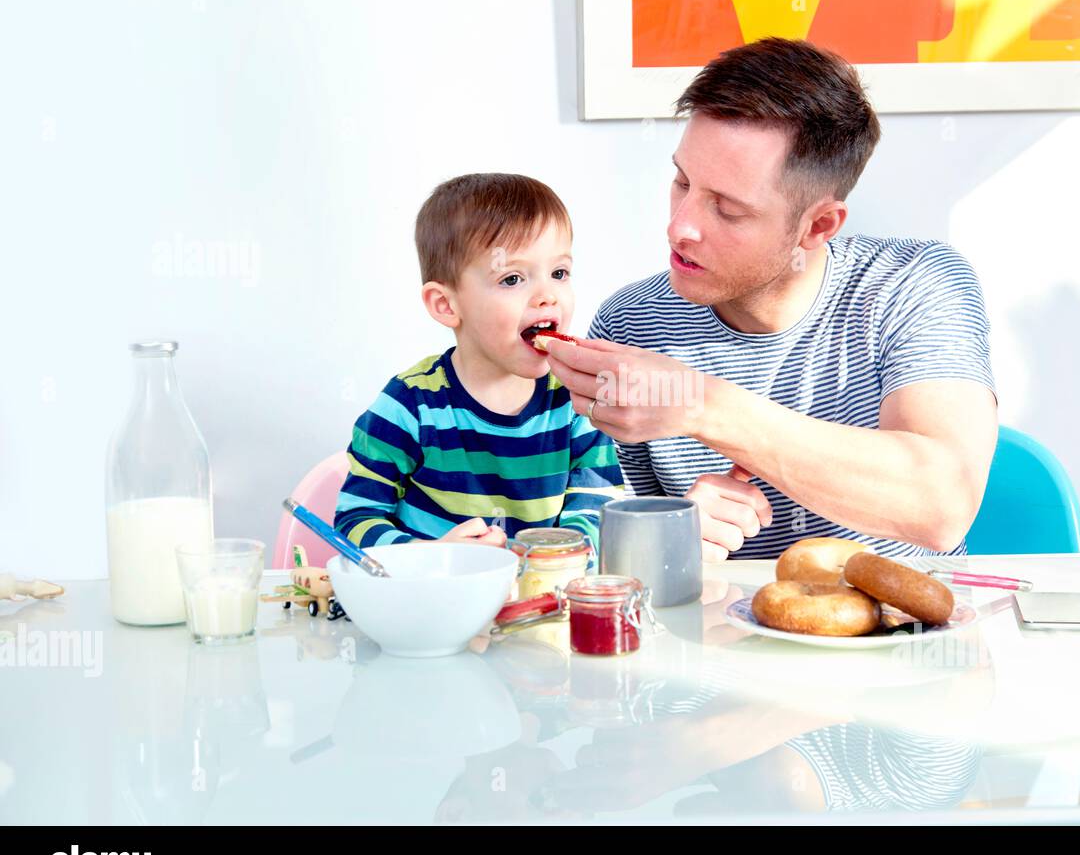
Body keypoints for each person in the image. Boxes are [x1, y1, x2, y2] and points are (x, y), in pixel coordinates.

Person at [546, 38, 998, 561]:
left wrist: (700, 406)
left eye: (728, 209)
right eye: (682, 181)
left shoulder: (914, 285)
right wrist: (671, 538)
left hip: (912, 633)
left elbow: (941, 507)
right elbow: (611, 564)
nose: (679, 226)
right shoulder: (631, 324)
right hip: (725, 634)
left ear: (818, 225)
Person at [333, 173, 624, 549]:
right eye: (512, 278)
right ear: (447, 305)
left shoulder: (576, 399)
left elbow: (599, 508)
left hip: (541, 598)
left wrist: (554, 555)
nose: (547, 296)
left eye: (559, 273)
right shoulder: (409, 405)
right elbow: (355, 520)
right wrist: (435, 557)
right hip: (436, 601)